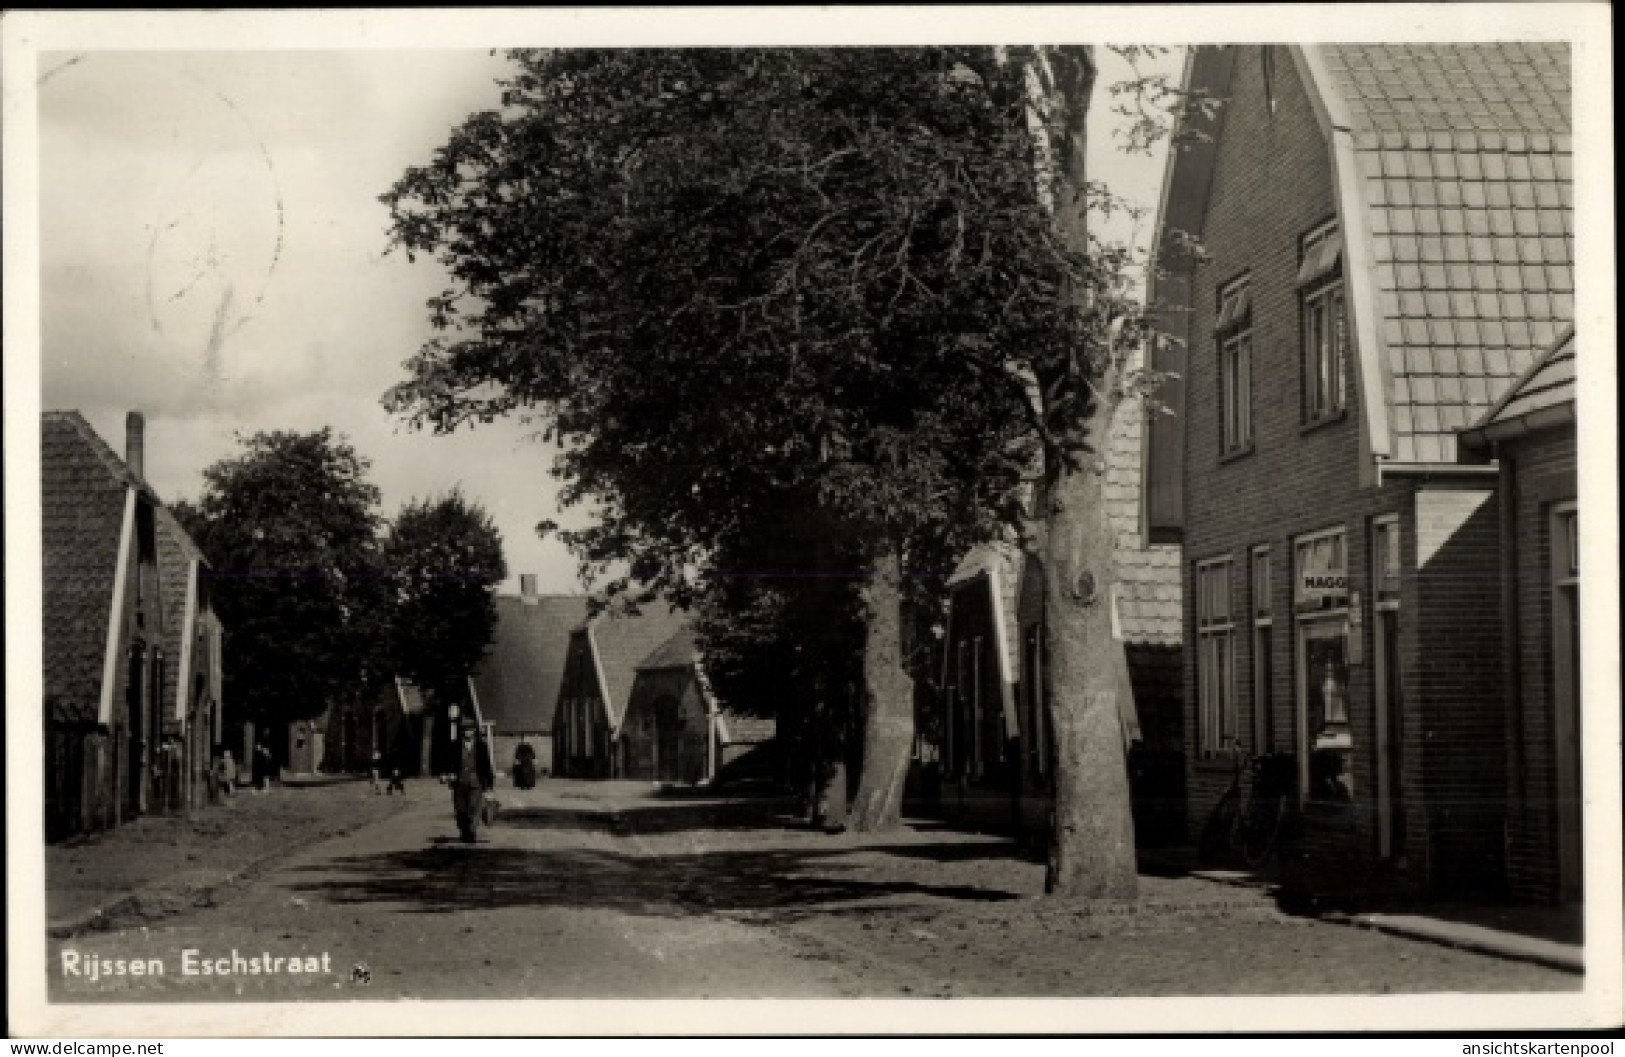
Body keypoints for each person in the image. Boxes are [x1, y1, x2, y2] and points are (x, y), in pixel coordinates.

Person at [449, 725, 495, 843]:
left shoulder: (481, 747)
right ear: (462, 732)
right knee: (460, 809)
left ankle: (471, 831)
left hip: (476, 782)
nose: (467, 732)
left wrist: (489, 786)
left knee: (474, 807)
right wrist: (449, 773)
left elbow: (486, 766)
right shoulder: (455, 746)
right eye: (465, 730)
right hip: (459, 782)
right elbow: (449, 762)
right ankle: (464, 830)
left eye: (470, 730)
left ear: (474, 731)